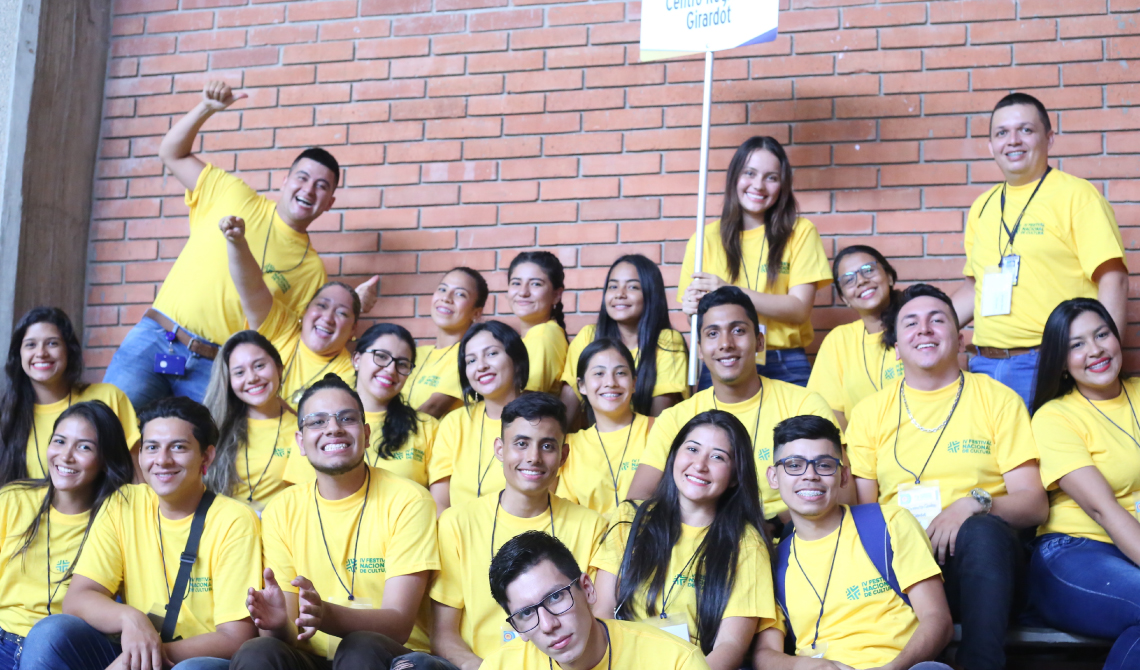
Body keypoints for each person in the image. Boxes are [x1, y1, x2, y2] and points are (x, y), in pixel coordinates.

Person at [102, 79, 377, 408]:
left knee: (203, 456)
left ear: (329, 202)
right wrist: (206, 108)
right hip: (157, 339)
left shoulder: (312, 269)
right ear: (285, 180)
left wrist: (351, 308)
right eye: (302, 178)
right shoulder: (233, 194)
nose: (309, 190)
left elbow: (293, 341)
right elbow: (171, 153)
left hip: (218, 369)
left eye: (321, 186)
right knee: (108, 437)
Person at [846, 283, 1048, 670]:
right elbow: (866, 511)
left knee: (981, 530)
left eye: (937, 320)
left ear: (958, 337)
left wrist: (972, 505)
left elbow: (1035, 504)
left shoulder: (996, 399)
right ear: (895, 345)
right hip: (903, 569)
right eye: (911, 323)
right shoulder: (871, 413)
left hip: (981, 567)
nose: (924, 329)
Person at [22, 396, 262, 670]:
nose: (162, 460)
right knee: (51, 632)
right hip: (137, 648)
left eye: (178, 447)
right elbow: (79, 597)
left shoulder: (234, 520)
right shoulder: (124, 503)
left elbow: (236, 638)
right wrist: (131, 619)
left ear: (206, 456)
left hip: (197, 661)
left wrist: (144, 654)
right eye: (152, 447)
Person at [229, 374, 439, 670]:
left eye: (346, 418)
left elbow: (400, 623)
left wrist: (325, 614)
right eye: (317, 422)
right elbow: (290, 634)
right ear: (300, 442)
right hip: (312, 658)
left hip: (388, 655)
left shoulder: (409, 500)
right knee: (258, 650)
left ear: (366, 435)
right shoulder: (282, 508)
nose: (333, 429)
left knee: (359, 646)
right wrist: (277, 625)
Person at [950, 92, 1128, 408]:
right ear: (991, 146)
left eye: (1026, 130)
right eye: (1001, 133)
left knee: (1048, 457)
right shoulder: (982, 207)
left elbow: (1113, 278)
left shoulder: (1077, 196)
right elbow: (973, 287)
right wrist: (921, 328)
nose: (1013, 140)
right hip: (984, 366)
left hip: (1050, 362)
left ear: (1049, 138)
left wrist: (1102, 362)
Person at [755, 415, 954, 670]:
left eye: (824, 465)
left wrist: (892, 668)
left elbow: (937, 619)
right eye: (794, 465)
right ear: (773, 477)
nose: (810, 476)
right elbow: (765, 654)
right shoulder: (772, 561)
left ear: (844, 476)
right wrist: (805, 666)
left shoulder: (888, 523)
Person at [428, 393, 607, 670]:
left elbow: (597, 621)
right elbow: (443, 634)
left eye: (547, 446)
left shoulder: (592, 526)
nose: (533, 458)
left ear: (564, 455)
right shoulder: (457, 523)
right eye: (521, 444)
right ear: (500, 449)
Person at [627, 286, 838, 520]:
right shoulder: (676, 418)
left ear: (759, 342)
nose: (725, 343)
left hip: (792, 539)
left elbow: (840, 492)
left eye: (738, 330)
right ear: (699, 349)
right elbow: (637, 500)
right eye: (712, 334)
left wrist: (772, 526)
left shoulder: (805, 405)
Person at [592, 410, 776, 670]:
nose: (700, 465)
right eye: (692, 449)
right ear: (674, 455)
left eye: (717, 457)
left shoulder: (746, 543)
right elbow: (602, 612)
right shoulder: (629, 518)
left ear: (735, 476)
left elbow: (730, 646)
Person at [1027, 298, 1140, 670]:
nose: (1095, 350)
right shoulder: (1055, 416)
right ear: (1061, 361)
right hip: (1075, 552)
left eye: (1101, 334)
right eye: (1076, 345)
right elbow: (1101, 509)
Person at [678, 136, 832, 388]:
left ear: (782, 185)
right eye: (750, 173)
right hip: (723, 360)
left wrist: (729, 292)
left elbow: (799, 309)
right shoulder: (704, 239)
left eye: (771, 177)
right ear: (734, 178)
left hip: (784, 360)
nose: (758, 185)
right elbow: (698, 318)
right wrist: (691, 307)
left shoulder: (800, 232)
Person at [0, 402, 134, 669]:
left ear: (106, 458)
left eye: (84, 447)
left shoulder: (120, 516)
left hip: (66, 651)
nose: (66, 456)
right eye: (59, 441)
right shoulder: (13, 499)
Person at [480, 531, 711, 670]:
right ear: (517, 628)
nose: (548, 625)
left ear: (588, 589)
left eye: (555, 597)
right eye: (527, 613)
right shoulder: (498, 667)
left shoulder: (677, 662)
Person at [283, 323, 443, 510]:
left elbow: (438, 505)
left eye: (402, 364)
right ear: (357, 359)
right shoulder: (318, 425)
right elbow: (297, 502)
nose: (391, 369)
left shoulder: (426, 427)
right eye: (381, 356)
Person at [221, 215, 359, 409]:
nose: (327, 318)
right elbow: (251, 287)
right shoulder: (283, 327)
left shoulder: (349, 375)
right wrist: (237, 243)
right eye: (321, 305)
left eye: (342, 313)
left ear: (353, 329)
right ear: (305, 311)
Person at [0, 307, 139, 485]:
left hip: (104, 511)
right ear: (18, 355)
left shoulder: (108, 397)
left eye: (52, 343)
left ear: (69, 350)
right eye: (30, 345)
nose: (41, 353)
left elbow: (138, 478)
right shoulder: (8, 415)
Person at [560, 255, 688, 428]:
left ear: (650, 293)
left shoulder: (667, 341)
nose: (620, 294)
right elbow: (569, 401)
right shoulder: (589, 336)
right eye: (613, 286)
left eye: (632, 287)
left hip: (646, 445)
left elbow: (661, 420)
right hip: (595, 445)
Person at [431, 321, 528, 510]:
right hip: (457, 534)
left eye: (491, 354)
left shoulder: (539, 421)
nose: (481, 366)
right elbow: (440, 501)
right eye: (471, 360)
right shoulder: (454, 423)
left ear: (516, 360)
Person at [808, 245, 905, 430]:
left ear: (889, 276)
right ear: (844, 298)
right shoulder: (839, 341)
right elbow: (829, 412)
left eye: (868, 270)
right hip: (860, 452)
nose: (861, 281)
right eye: (848, 280)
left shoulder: (917, 328)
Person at [202, 330, 296, 514]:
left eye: (259, 365)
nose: (252, 378)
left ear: (279, 367)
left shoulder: (302, 430)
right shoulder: (214, 426)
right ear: (229, 381)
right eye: (239, 372)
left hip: (277, 531)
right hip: (221, 529)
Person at [556, 339, 650, 516]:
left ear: (634, 383)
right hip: (590, 542)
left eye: (620, 373)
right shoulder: (571, 445)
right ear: (582, 385)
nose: (610, 382)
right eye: (599, 373)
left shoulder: (658, 430)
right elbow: (567, 514)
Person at [405, 267, 487, 419]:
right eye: (442, 289)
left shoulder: (470, 358)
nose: (446, 298)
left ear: (476, 312)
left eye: (460, 294)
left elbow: (432, 409)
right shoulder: (415, 354)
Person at [507, 251, 569, 395]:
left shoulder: (542, 335)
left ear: (556, 295)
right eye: (516, 283)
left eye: (535, 284)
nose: (523, 292)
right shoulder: (533, 337)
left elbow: (525, 403)